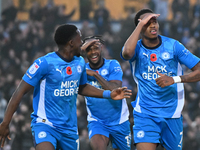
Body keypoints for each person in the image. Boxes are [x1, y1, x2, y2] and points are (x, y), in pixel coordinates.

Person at [0, 24, 132, 150]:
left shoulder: (80, 62)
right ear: (71, 43)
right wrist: (5, 123)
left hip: (69, 129)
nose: (82, 43)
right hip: (46, 124)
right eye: (80, 38)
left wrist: (108, 94)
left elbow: (81, 87)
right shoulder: (44, 63)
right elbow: (19, 92)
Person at [120, 8, 200, 150]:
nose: (153, 25)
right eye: (147, 23)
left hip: (172, 114)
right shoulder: (135, 49)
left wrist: (175, 79)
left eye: (155, 21)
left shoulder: (173, 46)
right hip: (145, 113)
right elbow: (126, 53)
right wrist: (139, 24)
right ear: (139, 27)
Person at [81, 36, 131, 150]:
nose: (93, 52)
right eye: (89, 49)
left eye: (96, 48)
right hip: (97, 121)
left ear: (101, 49)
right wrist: (81, 49)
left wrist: (95, 75)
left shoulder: (113, 64)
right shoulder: (81, 69)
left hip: (119, 121)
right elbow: (66, 65)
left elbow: (115, 88)